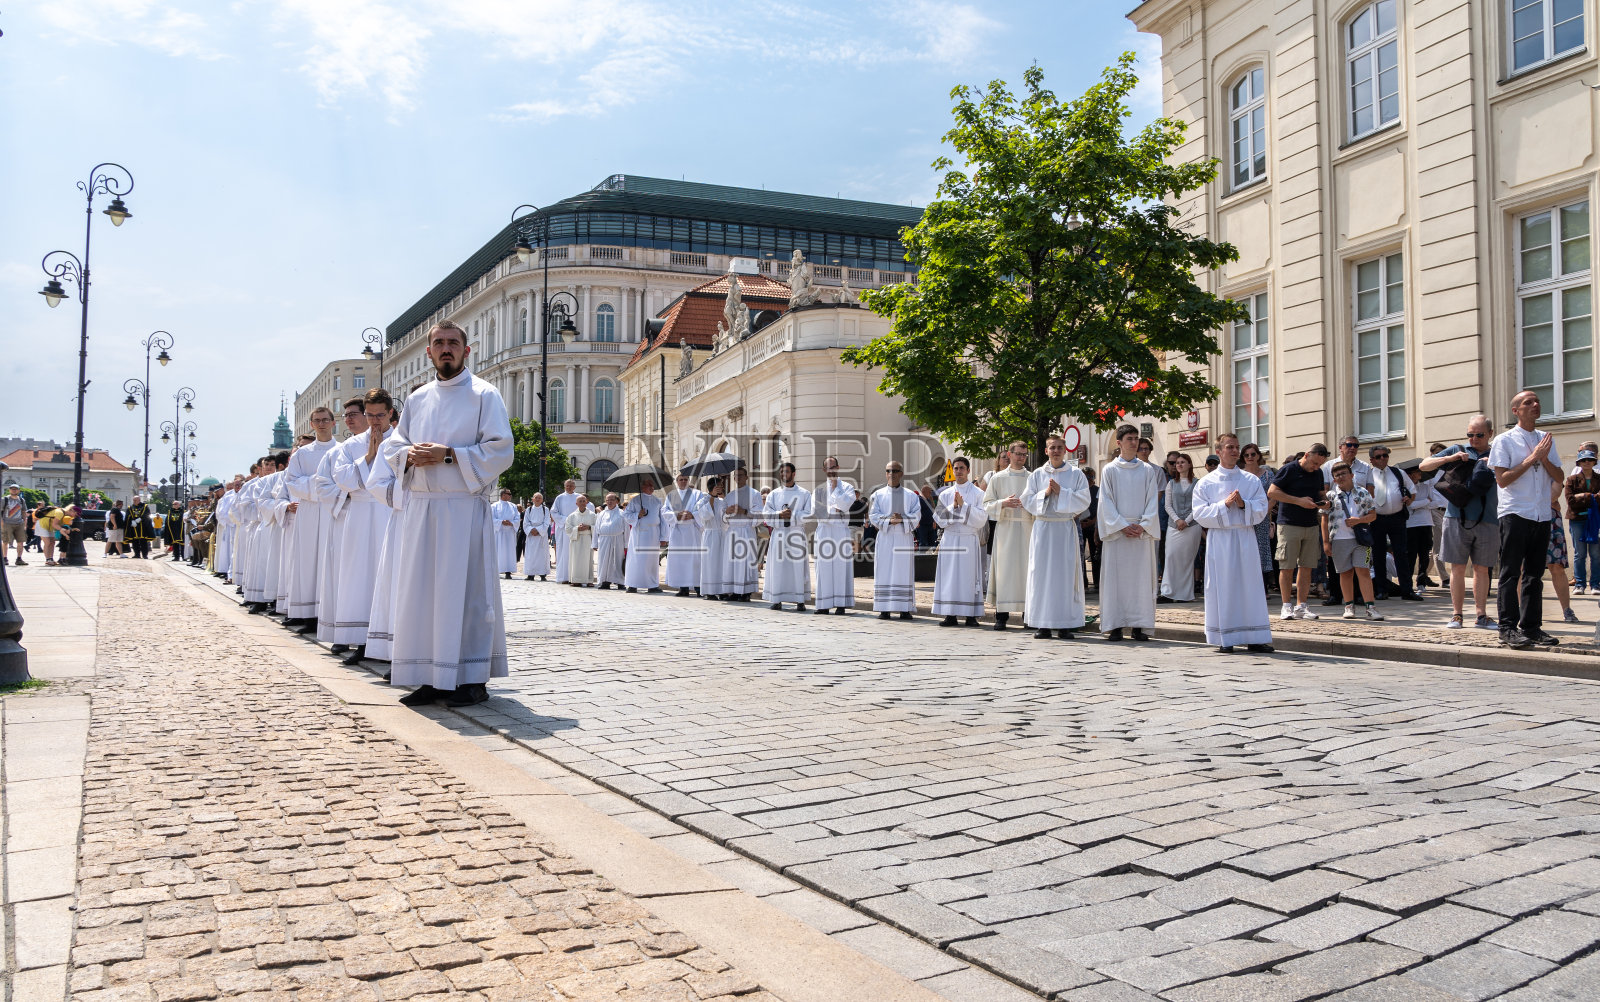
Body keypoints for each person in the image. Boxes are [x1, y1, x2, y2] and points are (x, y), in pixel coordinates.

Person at [379, 321, 514, 708]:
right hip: (422, 510)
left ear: (467, 351)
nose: (446, 349)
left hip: (462, 509)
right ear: (429, 352)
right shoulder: (418, 399)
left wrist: (449, 454)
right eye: (439, 343)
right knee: (422, 594)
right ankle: (427, 675)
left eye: (453, 343)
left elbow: (502, 450)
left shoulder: (484, 395)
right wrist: (409, 455)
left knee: (468, 593)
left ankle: (471, 678)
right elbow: (395, 446)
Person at [1489, 390, 1563, 649]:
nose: (1535, 405)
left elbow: (1559, 476)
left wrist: (1544, 459)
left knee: (1534, 574)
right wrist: (1533, 458)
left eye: (1537, 401)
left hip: (1541, 513)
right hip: (1515, 512)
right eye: (1528, 402)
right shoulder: (1504, 440)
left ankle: (1531, 626)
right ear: (1516, 410)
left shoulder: (1545, 439)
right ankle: (1507, 627)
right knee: (1510, 573)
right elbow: (1503, 479)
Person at [325, 390, 395, 664]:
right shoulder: (350, 445)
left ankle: (390, 640)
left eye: (380, 415)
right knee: (359, 576)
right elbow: (341, 479)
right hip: (360, 513)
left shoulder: (402, 440)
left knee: (388, 574)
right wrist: (369, 456)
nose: (375, 421)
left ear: (390, 413)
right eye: (370, 415)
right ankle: (362, 640)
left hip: (389, 511)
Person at [1192, 434, 1273, 653]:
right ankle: (1224, 638)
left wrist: (1243, 504)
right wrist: (1223, 505)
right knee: (1223, 586)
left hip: (1245, 537)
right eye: (1230, 447)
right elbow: (1198, 514)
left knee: (1250, 586)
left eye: (1237, 447)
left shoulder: (1250, 480)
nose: (1235, 451)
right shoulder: (1206, 482)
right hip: (1220, 539)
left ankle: (1255, 637)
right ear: (1219, 451)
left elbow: (1262, 508)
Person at [1420, 415, 1499, 631]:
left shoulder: (1497, 451)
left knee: (1483, 569)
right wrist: (1449, 459)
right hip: (1456, 517)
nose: (1473, 439)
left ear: (1490, 434)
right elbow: (1424, 465)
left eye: (1479, 435)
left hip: (1488, 518)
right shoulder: (1458, 449)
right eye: (1470, 435)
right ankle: (1457, 615)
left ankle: (1481, 615)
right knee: (1457, 568)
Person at [1021, 435, 1091, 639]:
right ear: (1046, 451)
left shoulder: (1076, 474)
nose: (1056, 451)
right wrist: (1046, 493)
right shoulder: (1036, 474)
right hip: (1043, 529)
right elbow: (1027, 499)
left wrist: (1062, 492)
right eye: (1052, 448)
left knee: (1065, 576)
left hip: (1064, 530)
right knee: (1041, 576)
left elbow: (1084, 500)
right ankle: (1042, 624)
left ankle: (1065, 625)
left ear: (1065, 450)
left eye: (1060, 447)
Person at [1099, 425, 1162, 642]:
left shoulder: (1147, 470)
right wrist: (1121, 525)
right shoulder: (1109, 470)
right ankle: (1115, 625)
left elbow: (1152, 499)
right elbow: (1105, 501)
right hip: (1118, 534)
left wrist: (1143, 525)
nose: (1134, 442)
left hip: (1140, 534)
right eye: (1129, 439)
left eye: (1136, 438)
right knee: (1116, 581)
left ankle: (1140, 625)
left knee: (1141, 581)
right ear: (1119, 443)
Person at [1267, 443, 1330, 621]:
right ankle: (1286, 606)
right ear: (1307, 455)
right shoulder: (1289, 469)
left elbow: (1320, 493)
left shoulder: (1318, 473)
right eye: (1315, 463)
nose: (1316, 467)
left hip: (1310, 524)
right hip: (1289, 523)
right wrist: (1298, 501)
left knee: (1307, 567)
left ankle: (1301, 606)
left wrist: (1325, 501)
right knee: (1286, 566)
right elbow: (1272, 492)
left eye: (1319, 465)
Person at [983, 442, 1034, 631]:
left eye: (1024, 454)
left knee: (1027, 571)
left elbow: (1038, 502)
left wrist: (1029, 505)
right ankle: (1001, 616)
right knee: (1004, 572)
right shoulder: (998, 478)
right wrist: (1003, 503)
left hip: (1028, 528)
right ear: (1009, 455)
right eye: (1018, 454)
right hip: (1005, 529)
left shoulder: (1033, 477)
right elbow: (986, 504)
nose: (1021, 457)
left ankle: (1028, 616)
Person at [1323, 461, 1383, 621]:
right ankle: (1349, 605)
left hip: (1361, 539)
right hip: (1339, 539)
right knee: (1345, 573)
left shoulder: (1363, 492)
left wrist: (1359, 520)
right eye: (1337, 475)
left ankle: (1371, 607)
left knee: (1363, 571)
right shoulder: (1330, 495)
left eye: (1344, 473)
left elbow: (1373, 515)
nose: (1341, 477)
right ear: (1334, 480)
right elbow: (1324, 519)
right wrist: (1326, 542)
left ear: (1352, 475)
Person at [932, 457, 986, 627]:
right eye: (956, 468)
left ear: (968, 470)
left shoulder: (979, 494)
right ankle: (950, 614)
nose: (959, 471)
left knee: (969, 577)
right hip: (950, 538)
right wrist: (953, 507)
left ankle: (971, 615)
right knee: (950, 577)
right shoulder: (945, 494)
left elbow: (982, 519)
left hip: (968, 539)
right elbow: (939, 520)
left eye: (962, 468)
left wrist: (963, 506)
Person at [868, 462, 921, 620]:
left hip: (903, 537)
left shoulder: (911, 495)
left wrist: (902, 519)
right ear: (886, 473)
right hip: (886, 536)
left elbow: (917, 515)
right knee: (884, 570)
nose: (892, 473)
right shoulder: (878, 495)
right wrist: (890, 521)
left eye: (895, 471)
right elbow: (873, 515)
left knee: (903, 570)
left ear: (901, 473)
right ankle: (884, 608)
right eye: (888, 471)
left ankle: (904, 608)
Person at [1366, 446, 1419, 601]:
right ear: (1372, 460)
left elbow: (1412, 489)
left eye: (1385, 455)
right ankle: (1382, 590)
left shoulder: (1398, 472)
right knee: (1379, 554)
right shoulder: (1369, 475)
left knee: (1401, 553)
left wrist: (1409, 499)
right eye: (1379, 457)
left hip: (1397, 517)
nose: (1383, 459)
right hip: (1377, 519)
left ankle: (1407, 590)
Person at [812, 457, 858, 614]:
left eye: (833, 466)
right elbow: (817, 511)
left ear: (838, 467)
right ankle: (823, 604)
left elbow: (846, 504)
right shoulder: (818, 490)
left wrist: (835, 493)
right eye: (827, 467)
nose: (831, 470)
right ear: (824, 470)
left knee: (840, 566)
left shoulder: (847, 487)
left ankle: (841, 604)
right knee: (823, 567)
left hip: (840, 530)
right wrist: (835, 509)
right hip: (824, 530)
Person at [764, 462, 812, 611]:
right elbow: (766, 514)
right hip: (779, 535)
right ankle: (777, 599)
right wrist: (779, 514)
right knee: (778, 567)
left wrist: (793, 515)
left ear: (794, 474)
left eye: (787, 472)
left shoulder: (804, 493)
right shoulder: (774, 494)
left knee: (797, 567)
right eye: (782, 472)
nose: (784, 475)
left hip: (796, 534)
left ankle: (800, 600)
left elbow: (809, 514)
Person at [1159, 454, 1200, 603]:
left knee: (1187, 559)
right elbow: (1167, 505)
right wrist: (1177, 520)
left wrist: (1187, 521)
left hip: (1192, 526)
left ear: (1189, 464)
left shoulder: (1197, 483)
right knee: (1170, 557)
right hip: (1174, 525)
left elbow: (1198, 505)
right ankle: (1168, 592)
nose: (1179, 465)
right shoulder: (1171, 484)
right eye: (1177, 463)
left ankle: (1184, 594)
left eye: (1183, 462)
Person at [1240, 444, 1275, 595]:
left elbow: (1273, 496)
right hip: (1243, 518)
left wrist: (1261, 513)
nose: (1249, 457)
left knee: (1262, 551)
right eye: (1246, 455)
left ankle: (1263, 589)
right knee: (1245, 551)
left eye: (1253, 454)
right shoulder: (1239, 475)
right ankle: (1246, 588)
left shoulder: (1267, 475)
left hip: (1262, 518)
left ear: (1258, 456)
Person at [1546, 477, 1581, 625]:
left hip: (1551, 517)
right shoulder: (1517, 458)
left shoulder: (1550, 461)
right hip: (1524, 515)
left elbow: (1554, 494)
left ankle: (1567, 610)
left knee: (1557, 566)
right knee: (1522, 567)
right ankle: (1522, 609)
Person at [1403, 463, 1442, 594]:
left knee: (1424, 553)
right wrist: (1425, 502)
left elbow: (1435, 502)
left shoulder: (1425, 487)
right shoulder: (1405, 488)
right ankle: (1407, 582)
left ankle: (1421, 580)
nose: (1419, 475)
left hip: (1425, 522)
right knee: (1411, 554)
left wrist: (1422, 503)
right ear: (1410, 475)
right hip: (1411, 524)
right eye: (1417, 472)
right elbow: (1409, 506)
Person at [1565, 450, 1600, 595]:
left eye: (1590, 459)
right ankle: (1579, 584)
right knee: (1579, 553)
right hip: (1577, 519)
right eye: (1584, 459)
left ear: (1594, 462)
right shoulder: (1571, 479)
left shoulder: (1599, 478)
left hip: (1595, 521)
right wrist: (1592, 497)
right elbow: (1571, 501)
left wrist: (1583, 496)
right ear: (1579, 462)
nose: (1587, 462)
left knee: (1596, 554)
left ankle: (1595, 585)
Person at [662, 474, 703, 597]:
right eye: (681, 480)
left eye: (686, 479)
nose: (683, 481)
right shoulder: (671, 495)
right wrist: (676, 515)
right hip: (678, 532)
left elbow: (703, 508)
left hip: (692, 532)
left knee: (695, 561)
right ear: (677, 482)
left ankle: (699, 588)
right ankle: (683, 588)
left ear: (689, 480)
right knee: (679, 561)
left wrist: (693, 515)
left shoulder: (697, 494)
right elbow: (664, 511)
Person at [723, 467, 761, 601]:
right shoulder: (729, 495)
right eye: (736, 476)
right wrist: (727, 511)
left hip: (746, 531)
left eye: (740, 475)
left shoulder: (755, 494)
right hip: (732, 531)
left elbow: (759, 516)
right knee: (732, 562)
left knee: (745, 562)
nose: (738, 478)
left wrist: (744, 511)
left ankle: (746, 592)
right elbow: (722, 517)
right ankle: (734, 591)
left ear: (746, 477)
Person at [623, 478, 665, 594]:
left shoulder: (657, 501)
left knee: (651, 560)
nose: (652, 487)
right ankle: (633, 584)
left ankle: (652, 585)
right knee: (636, 559)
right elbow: (626, 515)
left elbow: (663, 520)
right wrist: (638, 515)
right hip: (639, 534)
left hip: (653, 534)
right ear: (642, 487)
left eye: (652, 485)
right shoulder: (635, 501)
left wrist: (664, 537)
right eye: (649, 485)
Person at [695, 476, 731, 600]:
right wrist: (711, 498)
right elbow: (704, 516)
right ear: (712, 487)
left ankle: (722, 590)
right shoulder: (702, 501)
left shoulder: (723, 502)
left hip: (722, 534)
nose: (721, 487)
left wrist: (728, 513)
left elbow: (725, 520)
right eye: (719, 485)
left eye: (721, 485)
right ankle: (709, 591)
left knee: (722, 563)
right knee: (710, 563)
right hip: (710, 535)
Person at [549, 480, 581, 585]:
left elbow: (585, 509)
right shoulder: (560, 497)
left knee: (575, 552)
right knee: (563, 552)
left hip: (576, 528)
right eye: (567, 486)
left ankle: (575, 576)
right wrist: (565, 520)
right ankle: (563, 576)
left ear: (574, 487)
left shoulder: (579, 497)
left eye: (571, 486)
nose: (569, 487)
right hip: (563, 529)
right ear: (564, 486)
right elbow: (553, 512)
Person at [593, 492, 627, 589]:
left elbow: (626, 530)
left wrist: (626, 544)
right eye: (607, 500)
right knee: (604, 561)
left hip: (618, 539)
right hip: (604, 539)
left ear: (616, 501)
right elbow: (596, 528)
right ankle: (605, 581)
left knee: (617, 560)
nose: (609, 502)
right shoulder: (602, 514)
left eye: (612, 500)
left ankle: (620, 582)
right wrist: (595, 543)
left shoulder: (622, 513)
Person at [563, 494, 596, 585]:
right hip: (576, 539)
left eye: (583, 501)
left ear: (586, 502)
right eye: (580, 501)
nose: (582, 503)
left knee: (588, 560)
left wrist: (589, 527)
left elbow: (597, 527)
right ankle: (576, 580)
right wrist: (577, 528)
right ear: (576, 503)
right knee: (576, 560)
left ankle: (589, 580)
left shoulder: (592, 515)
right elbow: (568, 529)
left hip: (587, 539)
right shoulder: (572, 516)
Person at [521, 492, 552, 581]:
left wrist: (538, 530)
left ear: (542, 500)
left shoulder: (545, 509)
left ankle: (542, 574)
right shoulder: (529, 510)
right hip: (531, 535)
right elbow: (525, 522)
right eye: (536, 497)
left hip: (541, 535)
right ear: (533, 499)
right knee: (530, 555)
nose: (537, 499)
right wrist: (531, 530)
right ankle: (530, 574)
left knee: (542, 554)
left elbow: (547, 522)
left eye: (539, 498)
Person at [491, 489, 520, 579]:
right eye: (509, 494)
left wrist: (512, 523)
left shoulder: (513, 506)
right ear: (503, 495)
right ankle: (497, 570)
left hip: (509, 532)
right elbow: (491, 518)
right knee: (498, 551)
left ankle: (508, 571)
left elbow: (517, 517)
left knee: (509, 552)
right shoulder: (494, 506)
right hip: (499, 532)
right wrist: (501, 522)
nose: (510, 496)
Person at [3, 486, 28, 567]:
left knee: (20, 542)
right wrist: (1, 522)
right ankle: (4, 558)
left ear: (19, 490)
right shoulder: (5, 499)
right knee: (5, 542)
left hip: (19, 523)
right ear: (9, 490)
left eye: (16, 489)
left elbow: (24, 511)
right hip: (7, 522)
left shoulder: (21, 500)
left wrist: (25, 522)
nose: (14, 490)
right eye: (12, 489)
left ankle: (19, 559)